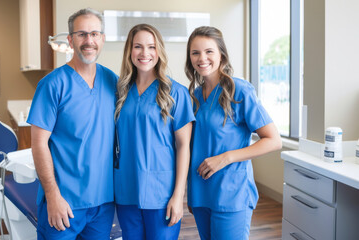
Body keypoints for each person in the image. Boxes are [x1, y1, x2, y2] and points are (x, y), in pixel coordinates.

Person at [27, 8, 118, 239]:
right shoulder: (52, 84)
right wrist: (53, 195)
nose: (89, 41)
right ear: (70, 39)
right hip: (64, 201)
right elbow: (39, 144)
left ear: (102, 39)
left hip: (104, 202)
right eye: (82, 34)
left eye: (95, 34)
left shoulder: (113, 82)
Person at [185, 26, 282, 240]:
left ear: (221, 55)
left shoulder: (239, 90)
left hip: (231, 192)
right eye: (195, 52)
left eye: (209, 51)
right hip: (201, 192)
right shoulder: (194, 96)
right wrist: (191, 194)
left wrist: (225, 158)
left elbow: (274, 140)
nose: (202, 58)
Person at [113, 24, 195, 240]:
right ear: (129, 51)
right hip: (126, 189)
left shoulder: (175, 92)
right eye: (138, 46)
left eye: (151, 47)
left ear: (159, 51)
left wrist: (179, 195)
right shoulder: (121, 92)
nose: (145, 53)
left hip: (161, 192)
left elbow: (184, 146)